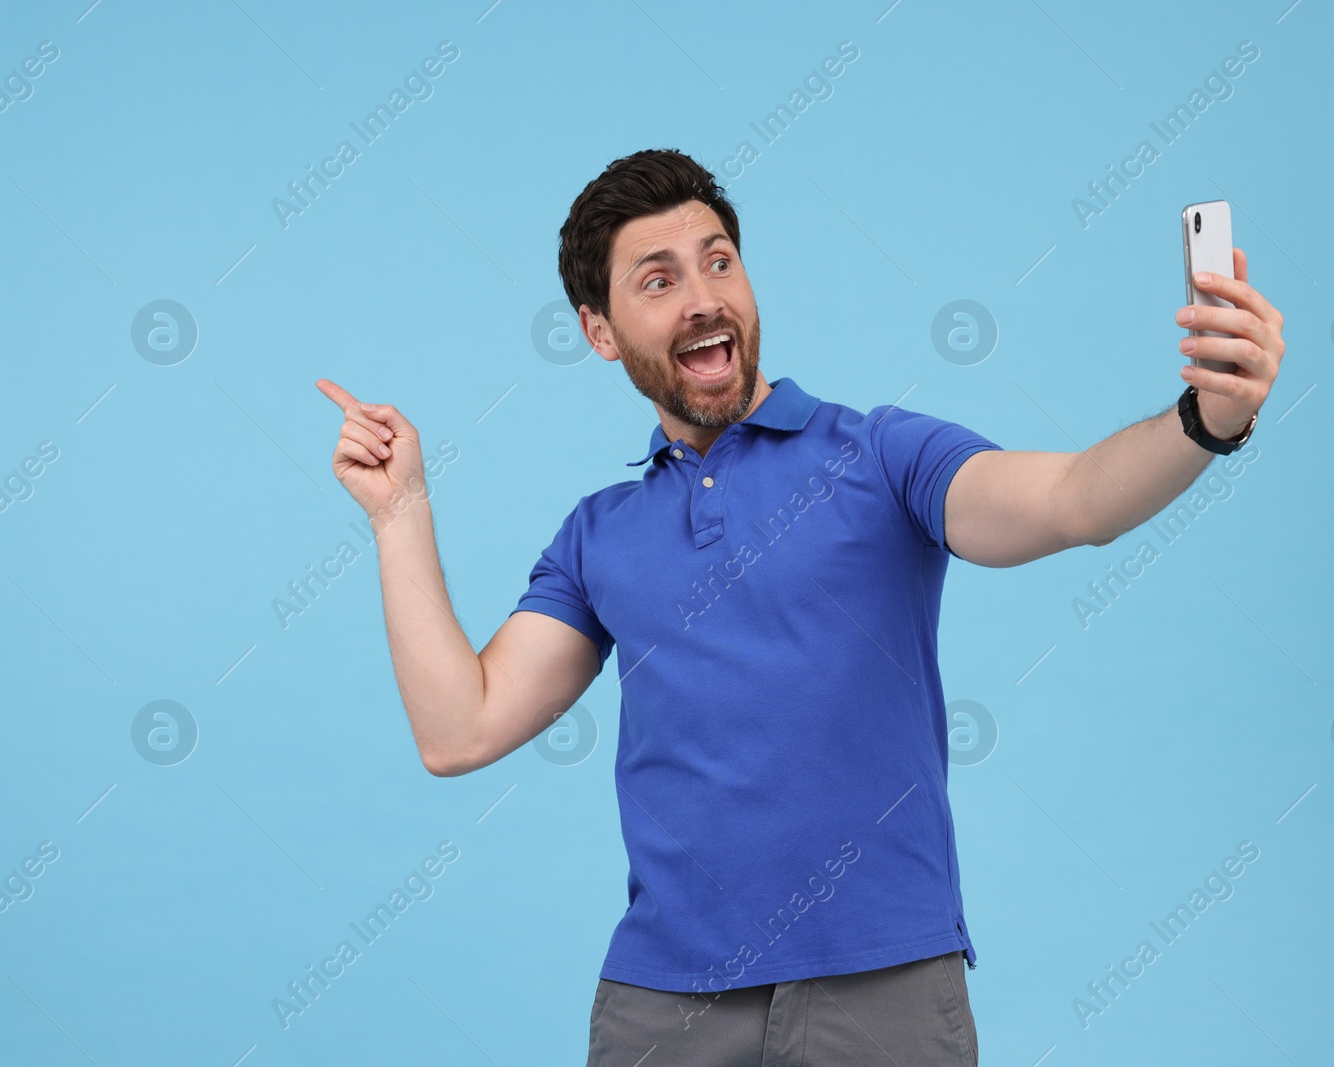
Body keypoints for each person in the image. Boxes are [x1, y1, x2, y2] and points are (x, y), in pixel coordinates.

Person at [317, 148, 1285, 1065]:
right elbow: (460, 728)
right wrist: (400, 512)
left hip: (886, 986)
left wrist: (1207, 418)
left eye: (718, 263)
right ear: (598, 329)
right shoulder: (596, 535)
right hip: (664, 1007)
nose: (702, 298)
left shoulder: (882, 456)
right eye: (657, 280)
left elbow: (1073, 499)